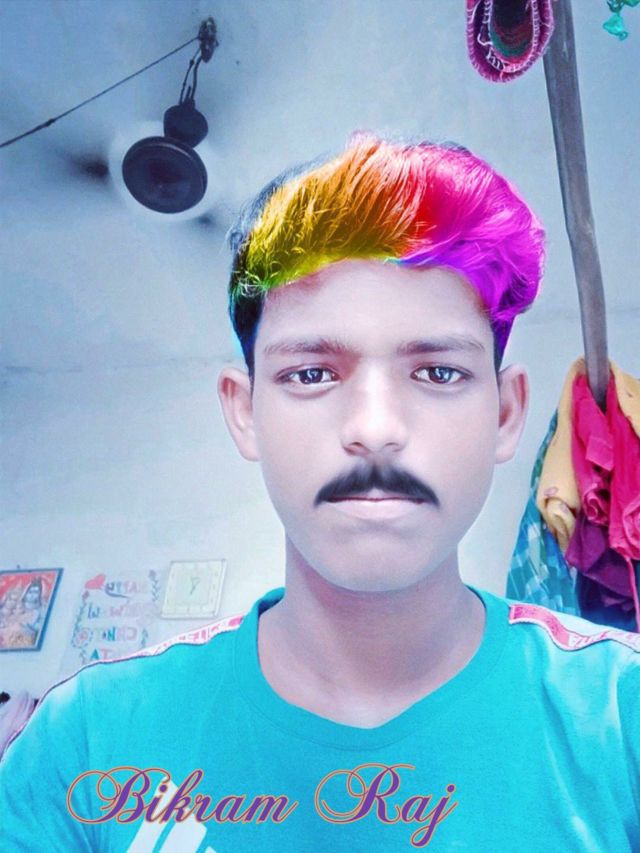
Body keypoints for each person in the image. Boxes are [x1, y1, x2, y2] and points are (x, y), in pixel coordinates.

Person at [1, 132, 638, 851]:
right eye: (311, 374)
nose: (374, 428)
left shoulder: (623, 717)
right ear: (245, 412)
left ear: (505, 413)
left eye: (438, 373)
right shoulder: (85, 742)